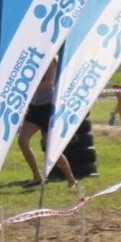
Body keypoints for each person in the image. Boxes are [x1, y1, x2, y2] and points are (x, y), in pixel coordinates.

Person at [18, 57, 79, 189]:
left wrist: (29, 85)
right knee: (22, 140)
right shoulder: (32, 60)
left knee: (49, 147)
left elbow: (49, 83)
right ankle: (37, 177)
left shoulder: (49, 60)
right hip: (34, 107)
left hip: (48, 107)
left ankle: (71, 179)